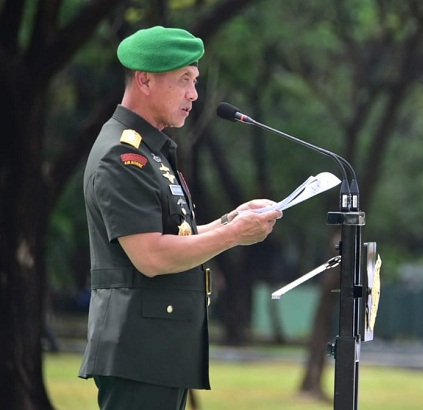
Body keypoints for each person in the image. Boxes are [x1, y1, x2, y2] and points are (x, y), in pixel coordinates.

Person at [78, 26, 283, 410]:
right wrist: (234, 235)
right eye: (184, 80)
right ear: (145, 81)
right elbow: (151, 255)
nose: (194, 94)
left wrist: (230, 220)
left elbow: (175, 235)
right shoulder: (123, 157)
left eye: (195, 80)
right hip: (139, 351)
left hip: (157, 349)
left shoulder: (151, 152)